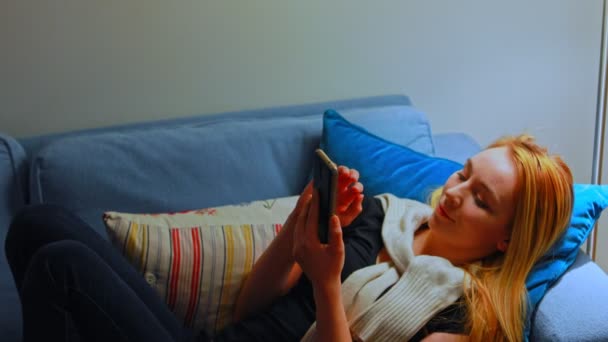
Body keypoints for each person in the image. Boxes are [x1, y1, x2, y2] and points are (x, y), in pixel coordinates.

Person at [4, 134, 573, 342]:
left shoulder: (466, 321)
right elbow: (252, 308)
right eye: (464, 173)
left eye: (481, 199)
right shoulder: (383, 216)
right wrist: (301, 232)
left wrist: (329, 288)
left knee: (59, 265)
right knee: (40, 222)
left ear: (507, 239)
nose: (454, 192)